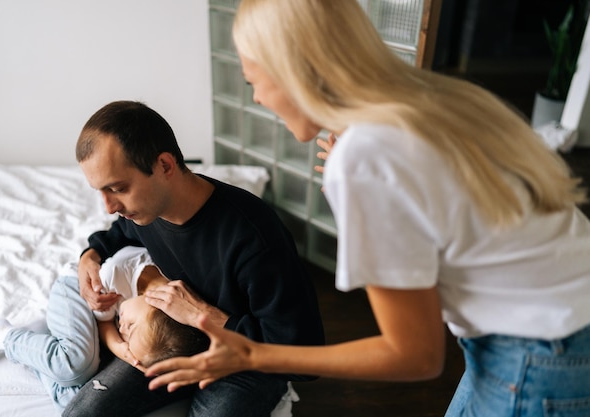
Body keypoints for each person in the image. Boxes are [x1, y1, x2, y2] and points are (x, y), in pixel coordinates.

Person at [141, 1, 590, 416]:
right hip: (565, 321)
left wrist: (253, 354)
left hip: (540, 354)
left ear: (293, 68)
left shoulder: (367, 153)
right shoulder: (429, 101)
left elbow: (415, 355)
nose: (256, 97)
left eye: (254, 80)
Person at [63, 100, 325, 417]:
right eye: (100, 191)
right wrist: (90, 255)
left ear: (164, 165)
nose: (108, 206)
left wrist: (203, 315)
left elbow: (303, 354)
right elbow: (119, 232)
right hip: (172, 344)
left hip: (246, 361)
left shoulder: (254, 238)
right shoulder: (145, 213)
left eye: (118, 188)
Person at [0, 246, 207, 412]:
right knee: (75, 364)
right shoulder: (120, 273)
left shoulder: (140, 313)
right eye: (130, 326)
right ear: (157, 301)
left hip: (92, 318)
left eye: (126, 334)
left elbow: (119, 323)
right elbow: (105, 323)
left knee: (72, 399)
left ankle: (42, 338)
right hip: (77, 292)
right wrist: (121, 348)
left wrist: (129, 348)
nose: (122, 328)